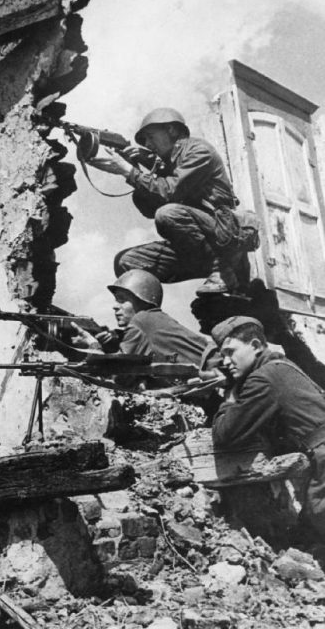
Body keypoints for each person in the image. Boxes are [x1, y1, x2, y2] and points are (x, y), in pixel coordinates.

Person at [88, 107, 249, 295]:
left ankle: (224, 272)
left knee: (168, 214)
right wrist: (135, 168)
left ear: (171, 130)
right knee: (126, 261)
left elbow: (169, 191)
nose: (147, 144)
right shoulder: (166, 164)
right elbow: (149, 208)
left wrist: (128, 171)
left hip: (222, 239)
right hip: (196, 248)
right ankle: (147, 316)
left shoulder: (199, 151)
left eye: (150, 137)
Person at [210, 315, 325, 538]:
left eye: (230, 352)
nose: (225, 362)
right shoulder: (281, 366)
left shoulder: (263, 378)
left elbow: (225, 434)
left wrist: (230, 399)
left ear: (255, 346)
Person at [71, 269, 207, 367]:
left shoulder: (142, 319)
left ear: (143, 300)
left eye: (122, 300)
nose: (115, 307)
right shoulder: (153, 319)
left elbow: (117, 373)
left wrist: (92, 344)